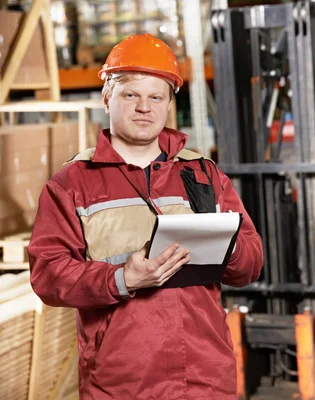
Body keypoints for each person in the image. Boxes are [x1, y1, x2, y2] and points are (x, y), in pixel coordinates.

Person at [28, 33, 263, 399]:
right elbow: (48, 274)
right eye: (131, 95)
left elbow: (251, 264)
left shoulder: (202, 174)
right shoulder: (72, 184)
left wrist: (228, 246)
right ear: (108, 99)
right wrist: (123, 278)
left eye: (156, 97)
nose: (144, 107)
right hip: (123, 382)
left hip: (206, 379)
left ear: (169, 103)